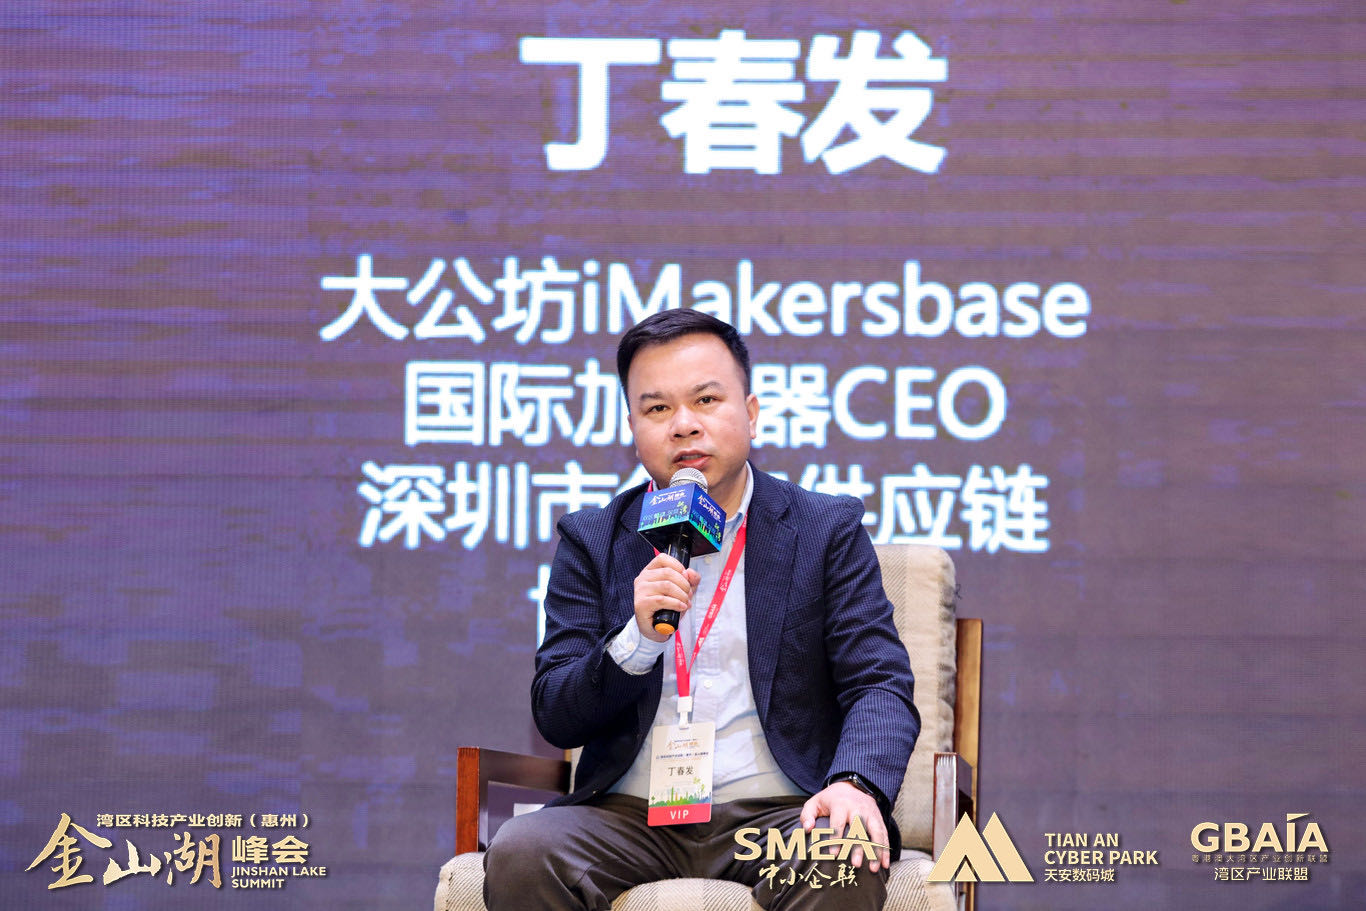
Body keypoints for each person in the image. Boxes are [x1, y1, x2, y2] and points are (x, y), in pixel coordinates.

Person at [484, 309, 919, 910]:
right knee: (523, 850)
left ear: (751, 412)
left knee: (840, 852)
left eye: (706, 400)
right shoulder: (593, 540)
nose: (684, 425)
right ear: (633, 426)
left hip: (781, 814)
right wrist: (637, 642)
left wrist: (854, 783)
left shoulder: (823, 528)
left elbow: (878, 683)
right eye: (657, 408)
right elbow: (556, 712)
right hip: (629, 817)